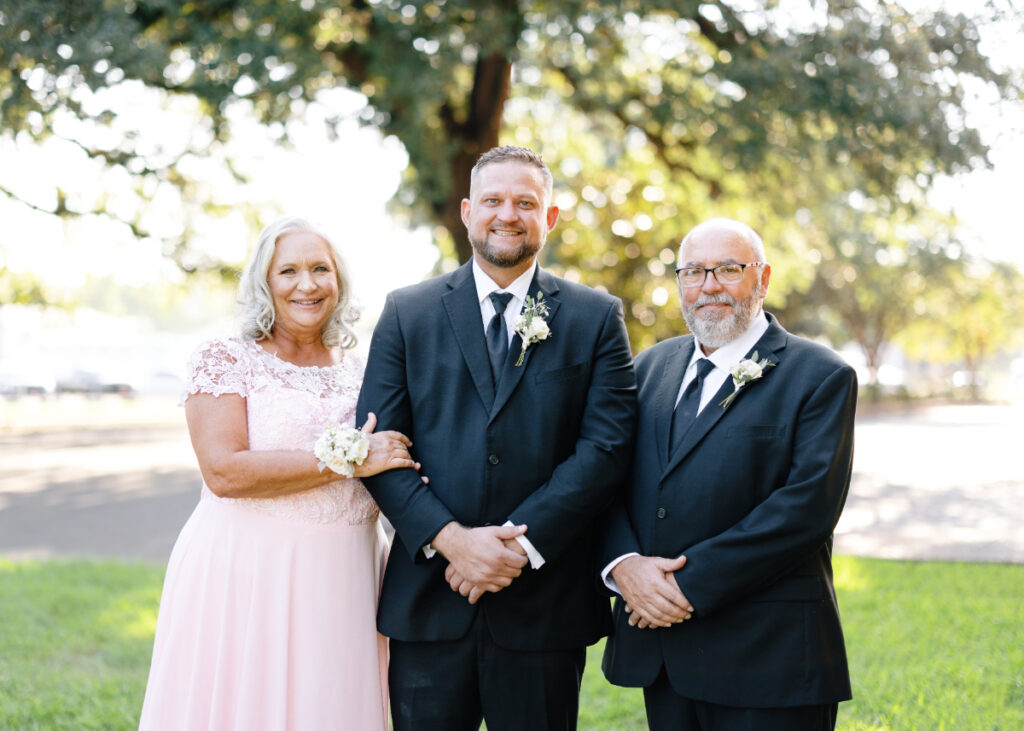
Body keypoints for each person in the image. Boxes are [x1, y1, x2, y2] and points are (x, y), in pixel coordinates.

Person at [355, 145, 637, 730]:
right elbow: (378, 448)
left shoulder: (594, 316)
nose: (508, 214)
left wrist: (514, 550)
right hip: (431, 597)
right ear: (466, 211)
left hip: (545, 601)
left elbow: (605, 449)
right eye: (493, 200)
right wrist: (452, 540)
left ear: (549, 217)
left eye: (526, 202)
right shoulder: (407, 313)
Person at [139, 216, 421, 730]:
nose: (307, 284)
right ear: (263, 283)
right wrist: (348, 457)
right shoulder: (226, 358)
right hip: (248, 568)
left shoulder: (367, 368)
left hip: (347, 570)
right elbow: (224, 470)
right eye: (287, 270)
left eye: (320, 269)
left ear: (339, 280)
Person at [600, 217, 856, 730]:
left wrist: (678, 587)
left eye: (728, 269)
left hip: (770, 656)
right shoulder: (648, 369)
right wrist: (625, 566)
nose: (709, 286)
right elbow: (604, 478)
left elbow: (804, 509)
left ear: (762, 280)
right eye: (693, 272)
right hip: (665, 656)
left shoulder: (821, 376)